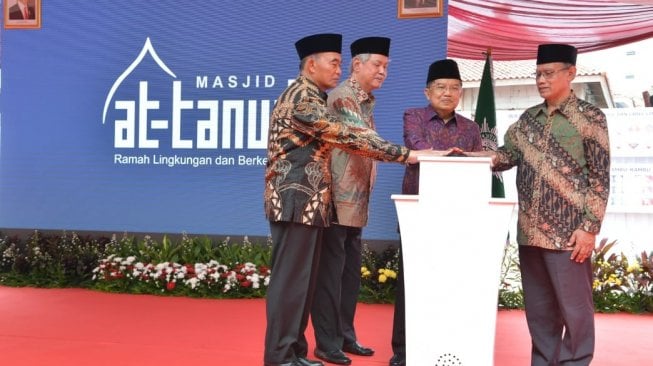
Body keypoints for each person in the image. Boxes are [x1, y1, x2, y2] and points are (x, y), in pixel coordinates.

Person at [263, 33, 450, 366]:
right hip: (293, 201)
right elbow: (349, 136)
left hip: (308, 204)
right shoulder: (301, 99)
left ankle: (293, 352)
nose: (339, 69)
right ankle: (280, 356)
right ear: (311, 64)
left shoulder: (314, 96)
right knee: (290, 284)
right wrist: (408, 155)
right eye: (333, 62)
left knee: (302, 286)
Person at [487, 43, 610, 366]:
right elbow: (504, 157)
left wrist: (589, 228)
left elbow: (600, 178)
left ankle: (576, 362)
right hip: (530, 233)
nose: (541, 80)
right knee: (539, 311)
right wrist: (471, 157)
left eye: (549, 73)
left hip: (569, 235)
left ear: (571, 73)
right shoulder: (528, 120)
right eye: (538, 74)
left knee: (575, 310)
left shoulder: (590, 118)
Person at [389, 59, 482, 366]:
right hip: (418, 211)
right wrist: (454, 156)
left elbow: (480, 164)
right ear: (427, 91)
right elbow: (416, 148)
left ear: (461, 92)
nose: (448, 93)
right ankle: (403, 352)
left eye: (454, 88)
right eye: (441, 87)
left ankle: (445, 344)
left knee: (450, 284)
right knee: (411, 284)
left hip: (460, 217)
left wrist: (469, 158)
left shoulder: (470, 128)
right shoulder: (413, 117)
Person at [309, 36, 390, 366]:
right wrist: (410, 156)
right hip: (336, 202)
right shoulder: (344, 98)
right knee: (330, 276)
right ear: (357, 65)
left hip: (357, 204)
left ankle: (344, 335)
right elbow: (366, 143)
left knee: (348, 276)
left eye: (386, 67)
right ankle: (325, 343)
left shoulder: (366, 100)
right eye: (377, 65)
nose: (383, 72)